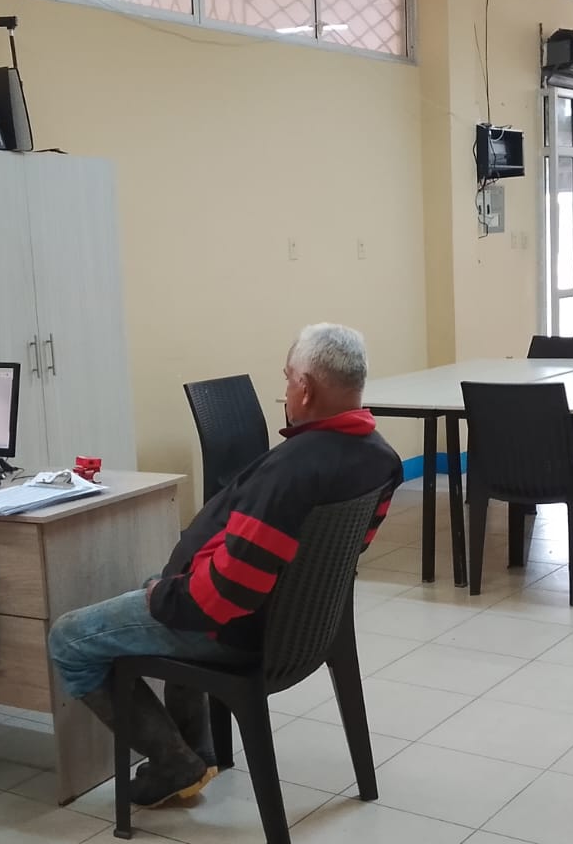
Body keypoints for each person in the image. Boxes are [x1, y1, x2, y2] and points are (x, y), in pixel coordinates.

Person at [49, 323, 403, 808]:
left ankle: (173, 761)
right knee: (159, 585)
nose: (285, 391)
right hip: (297, 625)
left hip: (235, 629)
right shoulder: (380, 457)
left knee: (69, 639)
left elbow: (222, 597)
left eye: (287, 379)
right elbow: (339, 556)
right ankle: (197, 753)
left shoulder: (290, 472)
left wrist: (164, 595)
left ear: (304, 387)